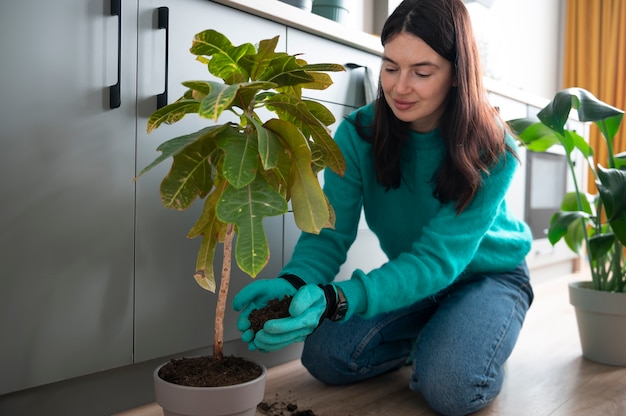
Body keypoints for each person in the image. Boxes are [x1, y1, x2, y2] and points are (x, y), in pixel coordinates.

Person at [233, 0, 534, 414]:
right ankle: (435, 335)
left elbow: (437, 260)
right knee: (323, 355)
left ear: (456, 75)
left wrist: (339, 298)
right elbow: (328, 232)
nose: (399, 87)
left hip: (490, 276)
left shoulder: (494, 147)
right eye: (390, 67)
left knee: (451, 388)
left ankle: (464, 339)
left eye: (422, 72)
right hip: (418, 273)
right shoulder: (358, 135)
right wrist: (294, 282)